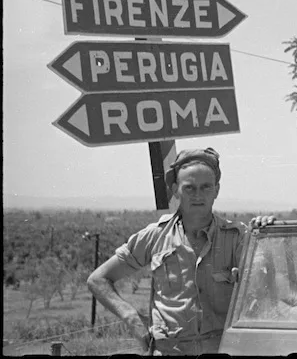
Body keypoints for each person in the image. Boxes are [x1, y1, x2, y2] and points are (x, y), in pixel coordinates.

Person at [87, 148, 247, 356]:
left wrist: (266, 228)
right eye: (189, 188)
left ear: (216, 190)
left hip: (222, 350)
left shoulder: (236, 237)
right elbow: (98, 279)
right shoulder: (155, 236)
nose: (198, 195)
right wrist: (131, 317)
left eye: (206, 187)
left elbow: (266, 287)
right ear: (175, 190)